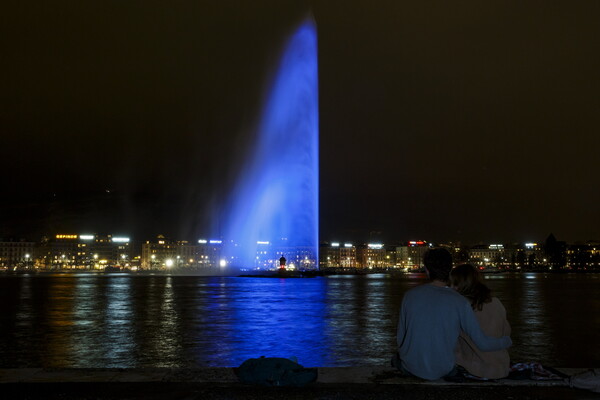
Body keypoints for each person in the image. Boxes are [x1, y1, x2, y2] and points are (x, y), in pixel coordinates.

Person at [395, 248, 512, 380]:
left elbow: (400, 339)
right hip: (444, 368)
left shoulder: (409, 296)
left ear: (427, 270)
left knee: (396, 359)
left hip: (411, 368)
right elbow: (482, 343)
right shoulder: (460, 301)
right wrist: (507, 341)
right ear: (450, 269)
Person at [450, 264, 511, 379]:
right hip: (501, 367)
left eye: (454, 284)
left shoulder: (460, 307)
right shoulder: (496, 303)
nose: (451, 288)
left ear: (460, 286)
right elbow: (506, 333)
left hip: (476, 369)